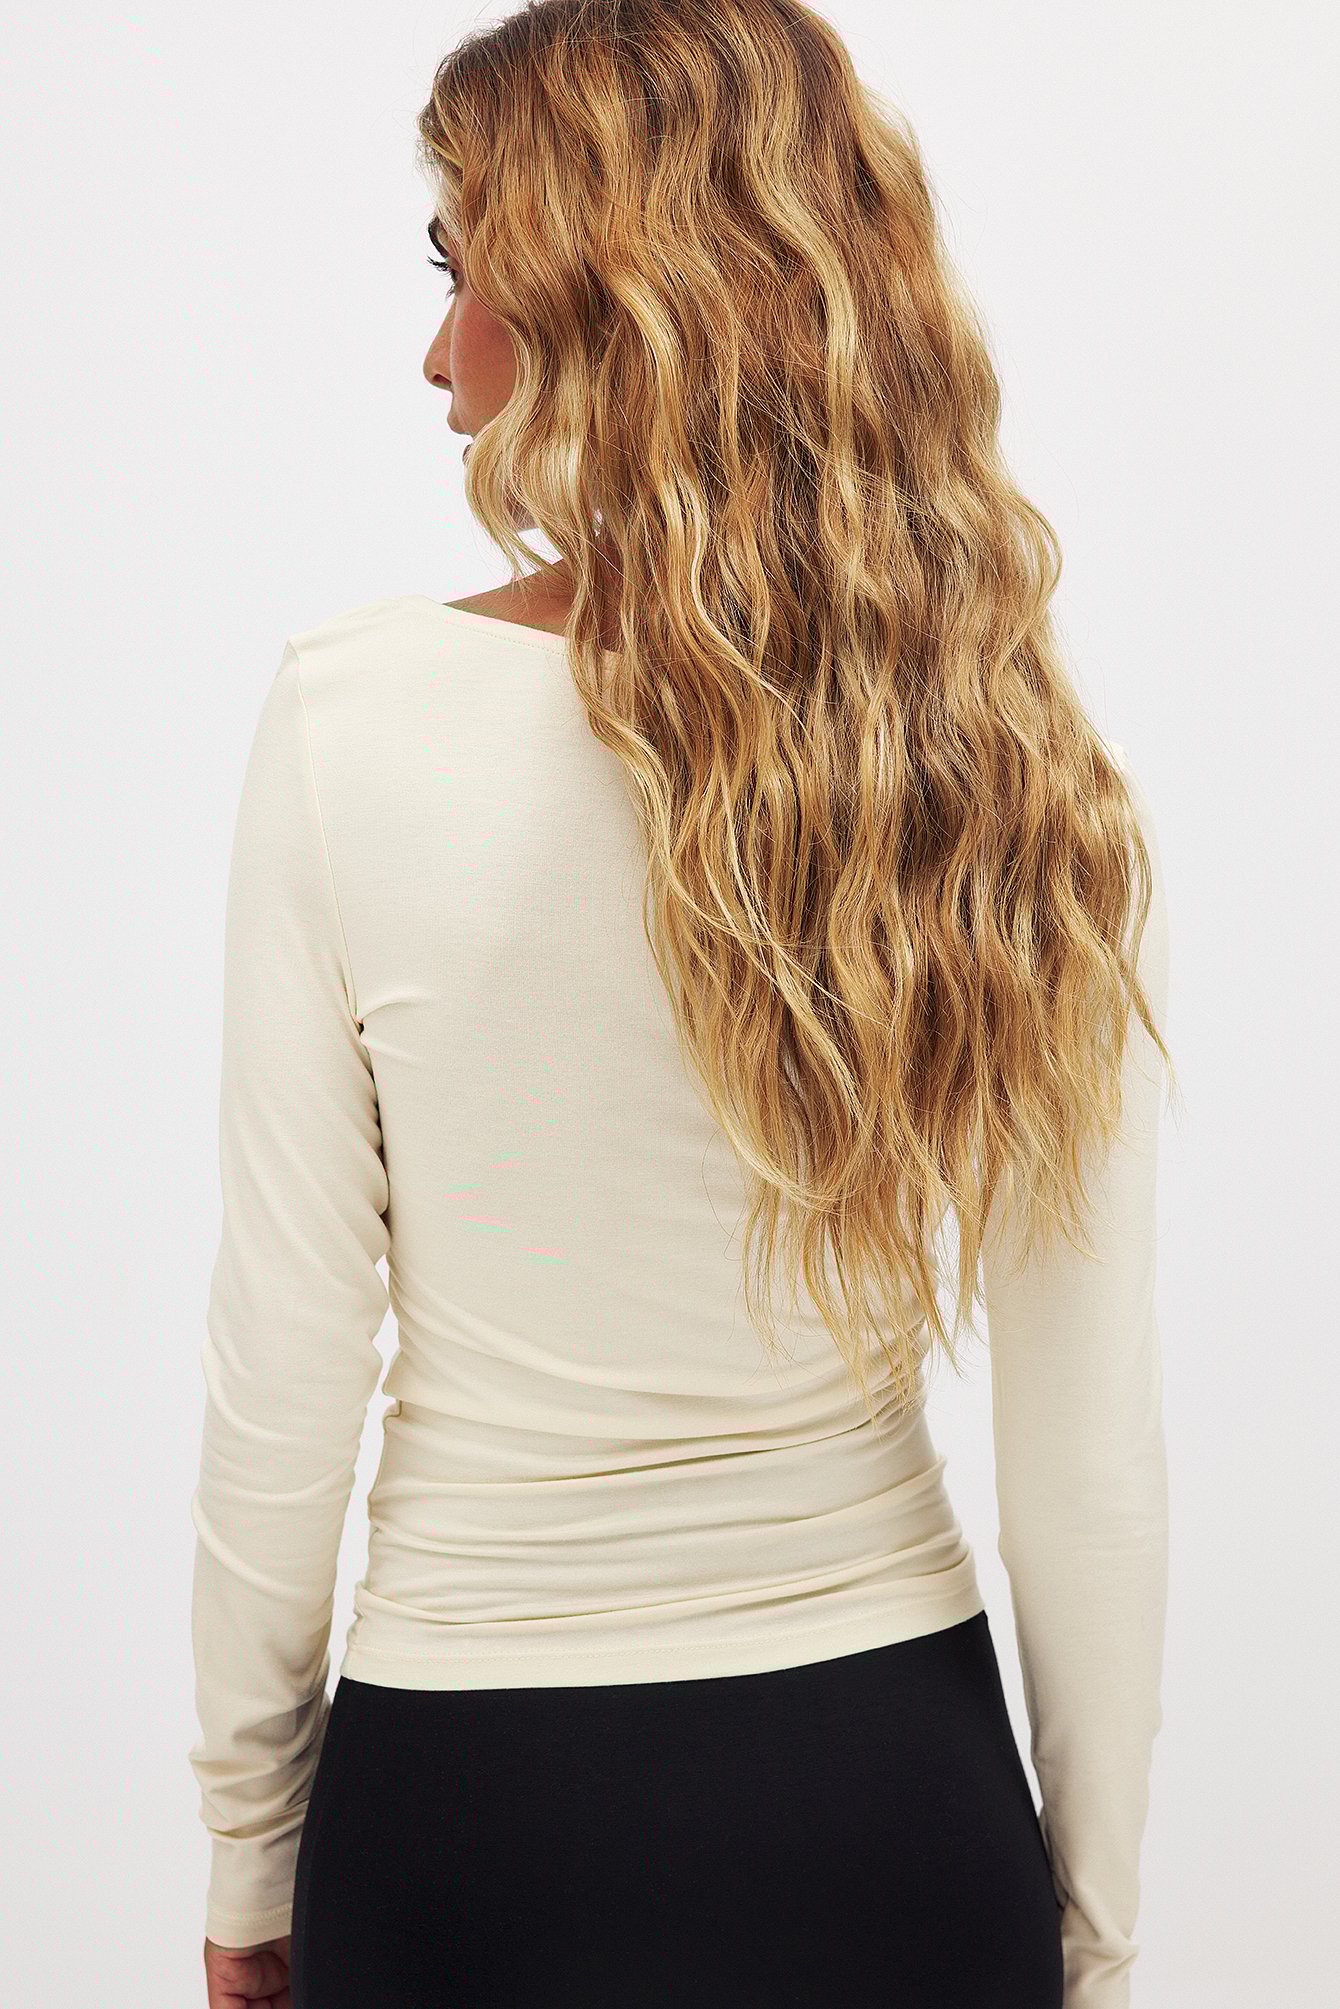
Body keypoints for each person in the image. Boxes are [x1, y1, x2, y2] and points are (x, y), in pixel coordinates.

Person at [187, 3, 1177, 2005]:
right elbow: (1089, 1464)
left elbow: (282, 1381)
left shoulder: (349, 728)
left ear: (601, 303)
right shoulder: (1011, 770)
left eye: (462, 274)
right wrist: (1091, 1927)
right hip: (887, 1810)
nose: (437, 359)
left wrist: (244, 1845)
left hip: (468, 1817)